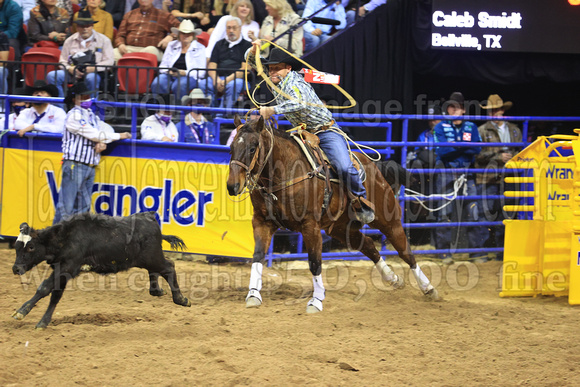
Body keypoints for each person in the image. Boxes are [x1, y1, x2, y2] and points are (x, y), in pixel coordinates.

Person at [246, 43, 375, 223]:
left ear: (288, 68)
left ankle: (360, 199)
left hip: (325, 131)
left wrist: (272, 110)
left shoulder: (295, 82)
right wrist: (252, 51)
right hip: (302, 133)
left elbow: (300, 103)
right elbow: (254, 63)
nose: (271, 72)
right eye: (270, 69)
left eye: (276, 68)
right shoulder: (276, 82)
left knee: (344, 167)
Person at [53, 81, 132, 224]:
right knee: (66, 207)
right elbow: (94, 134)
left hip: (90, 165)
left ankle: (76, 243)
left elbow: (103, 132)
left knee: (83, 209)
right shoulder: (73, 116)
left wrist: (103, 141)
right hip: (75, 164)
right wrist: (118, 136)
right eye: (82, 97)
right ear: (74, 99)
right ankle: (53, 242)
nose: (86, 99)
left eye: (87, 96)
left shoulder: (91, 115)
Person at [433, 92, 482, 264]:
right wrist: (463, 146)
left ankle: (476, 253)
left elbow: (476, 149)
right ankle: (444, 253)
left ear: (463, 109)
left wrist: (456, 146)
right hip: (447, 172)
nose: (454, 110)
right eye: (451, 107)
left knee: (473, 211)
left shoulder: (471, 127)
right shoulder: (440, 127)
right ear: (448, 109)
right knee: (444, 212)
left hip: (467, 173)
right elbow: (441, 151)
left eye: (458, 107)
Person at [474, 94, 522, 261]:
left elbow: (522, 152)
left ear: (503, 110)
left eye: (498, 109)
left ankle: (503, 251)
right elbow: (477, 154)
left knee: (507, 215)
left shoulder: (515, 130)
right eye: (492, 110)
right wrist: (497, 156)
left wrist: (513, 157)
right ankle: (479, 252)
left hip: (509, 177)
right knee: (483, 214)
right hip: (488, 177)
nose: (496, 112)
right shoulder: (481, 131)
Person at [47, 10, 114, 99]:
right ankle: (61, 107)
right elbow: (62, 60)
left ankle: (92, 108)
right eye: (82, 26)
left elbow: (109, 61)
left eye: (87, 26)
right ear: (77, 27)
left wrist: (94, 68)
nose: (85, 29)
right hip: (73, 73)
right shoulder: (69, 40)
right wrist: (70, 68)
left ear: (92, 26)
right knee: (52, 75)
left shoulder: (104, 40)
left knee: (91, 78)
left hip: (94, 72)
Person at [151, 20, 212, 100]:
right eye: (183, 33)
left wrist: (184, 73)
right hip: (170, 74)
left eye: (188, 34)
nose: (186, 36)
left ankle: (178, 110)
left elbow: (201, 72)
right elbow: (163, 66)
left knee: (179, 85)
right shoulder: (171, 45)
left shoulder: (200, 48)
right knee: (158, 82)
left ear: (193, 35)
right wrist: (169, 71)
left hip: (189, 77)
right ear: (179, 34)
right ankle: (161, 109)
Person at [208, 16, 252, 112]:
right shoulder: (219, 44)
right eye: (228, 28)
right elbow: (211, 65)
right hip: (220, 78)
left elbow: (245, 69)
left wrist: (226, 80)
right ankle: (211, 114)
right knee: (205, 83)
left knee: (233, 84)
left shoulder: (247, 45)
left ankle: (222, 114)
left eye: (234, 28)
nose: (231, 30)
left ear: (240, 29)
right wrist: (216, 80)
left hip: (238, 80)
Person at [114, 0, 180, 62]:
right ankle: (121, 74)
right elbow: (120, 35)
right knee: (113, 53)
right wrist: (120, 44)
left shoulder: (164, 15)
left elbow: (181, 27)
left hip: (151, 49)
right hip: (129, 49)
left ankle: (140, 74)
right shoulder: (129, 14)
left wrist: (171, 36)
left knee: (150, 51)